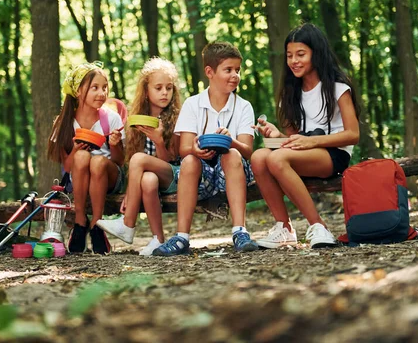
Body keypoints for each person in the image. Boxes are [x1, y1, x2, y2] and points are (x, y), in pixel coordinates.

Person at [251, 23, 360, 249]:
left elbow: (353, 134)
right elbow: (295, 140)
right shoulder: (291, 93)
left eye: (301, 54)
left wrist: (311, 141)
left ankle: (319, 226)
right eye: (289, 55)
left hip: (334, 154)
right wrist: (277, 136)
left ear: (316, 54)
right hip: (307, 152)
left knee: (275, 158)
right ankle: (284, 228)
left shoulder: (338, 87)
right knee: (259, 157)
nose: (294, 61)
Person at [152, 42, 259, 256]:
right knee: (189, 161)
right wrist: (195, 149)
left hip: (235, 171)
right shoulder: (193, 104)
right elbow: (184, 148)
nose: (235, 75)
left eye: (237, 70)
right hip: (201, 176)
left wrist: (232, 141)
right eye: (228, 70)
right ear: (210, 72)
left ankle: (240, 231)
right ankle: (182, 237)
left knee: (232, 154)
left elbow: (248, 151)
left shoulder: (243, 106)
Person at [97, 58, 182, 256]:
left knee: (138, 159)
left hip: (176, 176)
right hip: (152, 177)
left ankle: (128, 224)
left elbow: (170, 160)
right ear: (146, 91)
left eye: (169, 88)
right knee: (147, 179)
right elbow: (131, 164)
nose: (164, 93)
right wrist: (131, 190)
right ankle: (158, 240)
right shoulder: (136, 119)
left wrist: (159, 140)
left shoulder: (178, 117)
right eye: (158, 88)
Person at [47, 62, 125, 254]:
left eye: (104, 88)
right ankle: (80, 222)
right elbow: (67, 165)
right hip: (79, 177)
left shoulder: (112, 118)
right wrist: (74, 150)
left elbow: (119, 161)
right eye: (95, 88)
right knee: (81, 156)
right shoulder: (64, 122)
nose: (101, 93)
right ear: (79, 91)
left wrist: (114, 144)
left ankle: (97, 224)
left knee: (98, 161)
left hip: (108, 176)